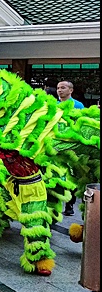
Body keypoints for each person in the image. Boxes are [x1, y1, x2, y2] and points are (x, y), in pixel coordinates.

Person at [56, 80, 84, 215]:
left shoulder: (78, 106)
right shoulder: (53, 105)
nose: (60, 90)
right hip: (55, 145)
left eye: (63, 87)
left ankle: (69, 205)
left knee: (71, 175)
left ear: (71, 90)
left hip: (72, 146)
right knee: (55, 174)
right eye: (58, 88)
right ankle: (54, 206)